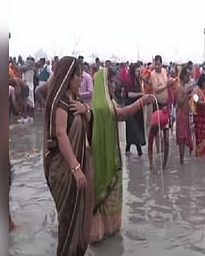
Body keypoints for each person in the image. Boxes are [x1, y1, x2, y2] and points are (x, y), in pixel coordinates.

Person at [90, 66, 153, 243]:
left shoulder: (109, 101)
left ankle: (110, 231)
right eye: (110, 82)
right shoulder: (103, 106)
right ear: (103, 84)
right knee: (106, 194)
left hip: (112, 155)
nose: (113, 85)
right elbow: (122, 114)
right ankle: (100, 233)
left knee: (113, 194)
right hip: (105, 158)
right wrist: (142, 102)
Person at [43, 56, 93, 256]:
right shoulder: (62, 101)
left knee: (77, 218)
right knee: (67, 220)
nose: (81, 80)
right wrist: (76, 168)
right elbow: (61, 133)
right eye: (78, 76)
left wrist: (86, 111)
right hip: (64, 170)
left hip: (75, 167)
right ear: (68, 77)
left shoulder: (76, 100)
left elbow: (88, 122)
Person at [124, 65, 146, 156]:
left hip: (138, 108)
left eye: (139, 71)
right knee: (133, 129)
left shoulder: (138, 81)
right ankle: (139, 152)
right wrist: (140, 94)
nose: (138, 73)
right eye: (137, 71)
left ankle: (127, 150)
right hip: (130, 108)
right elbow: (129, 94)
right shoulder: (128, 81)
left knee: (137, 128)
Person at [191, 74, 205, 156]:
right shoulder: (195, 90)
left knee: (204, 136)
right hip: (199, 118)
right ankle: (198, 154)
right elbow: (197, 102)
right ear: (202, 82)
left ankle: (203, 154)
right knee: (199, 137)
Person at [175, 66, 194, 164]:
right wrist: (187, 94)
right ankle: (181, 161)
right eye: (188, 76)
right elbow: (179, 103)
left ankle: (182, 161)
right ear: (184, 76)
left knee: (184, 138)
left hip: (186, 115)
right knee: (182, 140)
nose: (189, 78)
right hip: (181, 115)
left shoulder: (184, 87)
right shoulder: (179, 88)